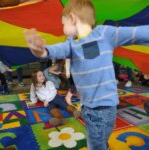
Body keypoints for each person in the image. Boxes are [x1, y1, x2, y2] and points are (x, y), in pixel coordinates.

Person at [24, 0, 149, 149]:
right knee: (100, 139)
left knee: (96, 144)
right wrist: (43, 51)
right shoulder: (72, 45)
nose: (63, 28)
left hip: (100, 109)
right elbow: (58, 49)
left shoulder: (104, 33)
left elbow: (137, 33)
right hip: (96, 109)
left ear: (72, 18)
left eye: (63, 24)